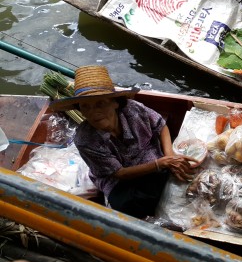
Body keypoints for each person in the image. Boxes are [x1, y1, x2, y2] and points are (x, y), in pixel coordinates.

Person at [50, 65, 199, 218]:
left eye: (100, 103)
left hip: (153, 159)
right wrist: (161, 164)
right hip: (121, 180)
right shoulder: (85, 140)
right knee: (128, 205)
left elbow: (161, 125)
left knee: (185, 175)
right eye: (85, 107)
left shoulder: (133, 110)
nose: (93, 113)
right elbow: (120, 173)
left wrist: (170, 155)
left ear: (115, 102)